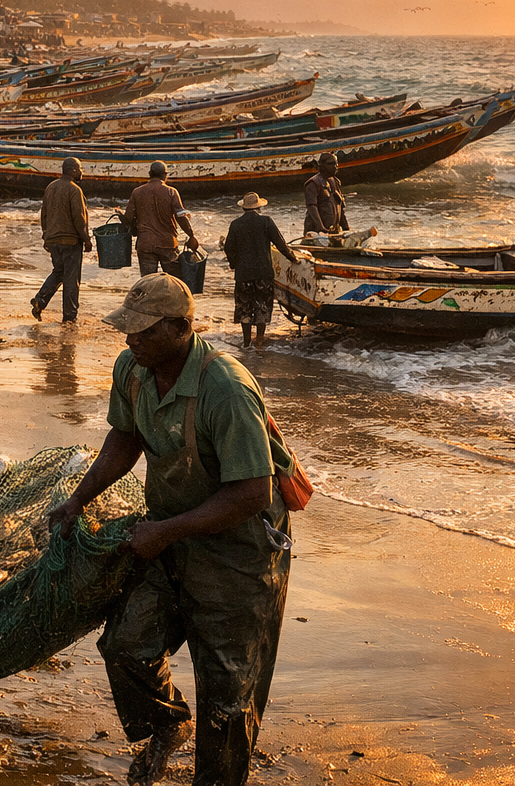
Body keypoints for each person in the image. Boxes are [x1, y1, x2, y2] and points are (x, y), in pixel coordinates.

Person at [47, 274, 294, 786]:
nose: (130, 338)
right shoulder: (134, 369)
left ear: (182, 328)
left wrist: (166, 532)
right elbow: (125, 437)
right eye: (127, 328)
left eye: (143, 330)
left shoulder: (225, 388)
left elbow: (252, 493)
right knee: (125, 647)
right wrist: (78, 500)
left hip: (238, 552)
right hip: (170, 534)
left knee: (226, 697)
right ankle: (167, 724)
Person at [221, 192, 298, 349]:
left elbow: (228, 248)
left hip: (243, 274)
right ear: (259, 207)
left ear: (243, 207)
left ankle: (247, 341)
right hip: (263, 272)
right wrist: (293, 258)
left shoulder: (235, 224)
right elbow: (281, 244)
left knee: (244, 308)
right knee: (262, 305)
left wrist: (234, 264)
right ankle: (260, 340)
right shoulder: (266, 222)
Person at [30, 156, 93, 323]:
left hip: (53, 239)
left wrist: (46, 236)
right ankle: (70, 318)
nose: (82, 172)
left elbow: (43, 214)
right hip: (70, 241)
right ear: (72, 170)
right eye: (80, 168)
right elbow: (79, 218)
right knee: (71, 279)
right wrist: (86, 239)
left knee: (59, 272)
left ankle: (40, 300)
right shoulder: (74, 190)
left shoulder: (51, 187)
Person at [123, 161, 200, 277]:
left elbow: (128, 219)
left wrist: (120, 215)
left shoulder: (137, 192)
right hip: (167, 244)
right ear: (165, 175)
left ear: (149, 174)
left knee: (148, 282)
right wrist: (191, 235)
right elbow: (181, 217)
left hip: (145, 244)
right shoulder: (171, 192)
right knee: (174, 282)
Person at [303, 152, 349, 237]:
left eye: (336, 164)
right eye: (331, 164)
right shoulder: (313, 183)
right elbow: (312, 207)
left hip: (333, 233)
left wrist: (346, 229)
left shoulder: (336, 182)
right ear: (322, 165)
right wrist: (321, 228)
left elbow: (341, 208)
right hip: (317, 233)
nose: (335, 167)